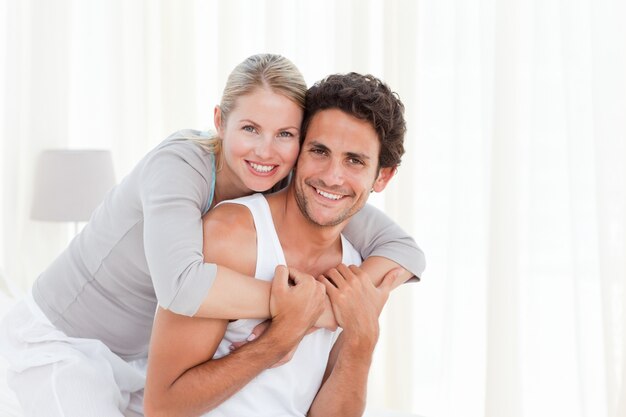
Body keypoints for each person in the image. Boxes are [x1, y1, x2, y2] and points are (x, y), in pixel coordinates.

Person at [0, 54, 424, 417]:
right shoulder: (179, 166)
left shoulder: (293, 180)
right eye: (250, 128)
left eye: (285, 135)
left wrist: (353, 319)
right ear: (220, 121)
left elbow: (403, 249)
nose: (265, 150)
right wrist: (306, 309)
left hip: (137, 354)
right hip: (65, 341)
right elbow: (181, 285)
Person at [144, 72, 413, 417]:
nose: (332, 176)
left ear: (382, 176)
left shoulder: (358, 269)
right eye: (319, 151)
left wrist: (362, 340)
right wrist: (278, 340)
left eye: (354, 161)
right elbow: (162, 408)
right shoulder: (232, 236)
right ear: (298, 150)